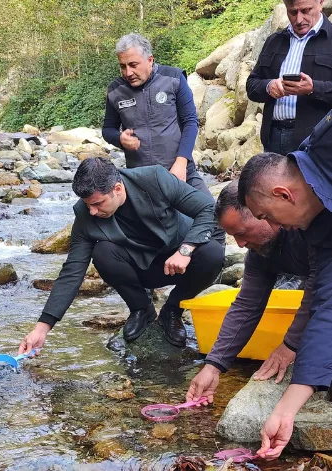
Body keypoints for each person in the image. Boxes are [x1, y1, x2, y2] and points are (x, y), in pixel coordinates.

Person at [18, 157, 223, 355]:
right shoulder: (84, 214)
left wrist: (185, 250)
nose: (92, 211)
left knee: (213, 253)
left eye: (98, 203)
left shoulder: (155, 179)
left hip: (179, 260)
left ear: (117, 188)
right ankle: (141, 309)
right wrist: (42, 328)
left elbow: (207, 208)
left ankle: (172, 310)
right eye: (88, 204)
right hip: (141, 269)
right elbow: (72, 271)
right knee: (102, 252)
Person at [237, 118, 332, 458]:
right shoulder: (321, 226)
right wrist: (286, 410)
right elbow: (328, 307)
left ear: (284, 194)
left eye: (267, 216)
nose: (272, 227)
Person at [185, 181, 313, 406]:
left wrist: (290, 345)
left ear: (261, 212)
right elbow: (247, 305)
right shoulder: (259, 252)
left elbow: (320, 290)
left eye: (242, 233)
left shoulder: (307, 227)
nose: (241, 244)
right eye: (233, 237)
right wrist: (213, 366)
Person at [102, 33, 210, 198]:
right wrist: (119, 139)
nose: (128, 72)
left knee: (211, 213)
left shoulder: (173, 78)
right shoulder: (115, 90)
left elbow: (190, 122)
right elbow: (108, 129)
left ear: (150, 60)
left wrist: (181, 163)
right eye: (123, 66)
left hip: (179, 170)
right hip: (140, 177)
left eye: (133, 65)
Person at [246, 0, 332, 155]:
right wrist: (269, 86)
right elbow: (251, 85)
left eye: (306, 10)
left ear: (321, 3)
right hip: (273, 139)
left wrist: (313, 88)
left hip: (318, 144)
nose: (298, 20)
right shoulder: (274, 41)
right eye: (292, 12)